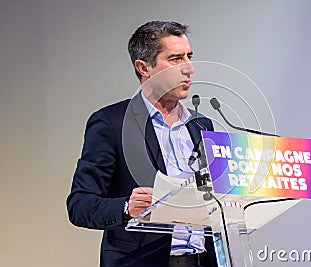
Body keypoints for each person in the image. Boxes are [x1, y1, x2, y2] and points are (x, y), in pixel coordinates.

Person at [67, 21, 218, 267]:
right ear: (144, 67)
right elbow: (79, 204)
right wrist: (127, 207)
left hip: (203, 261)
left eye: (189, 57)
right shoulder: (111, 124)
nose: (189, 68)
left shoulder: (201, 125)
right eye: (175, 59)